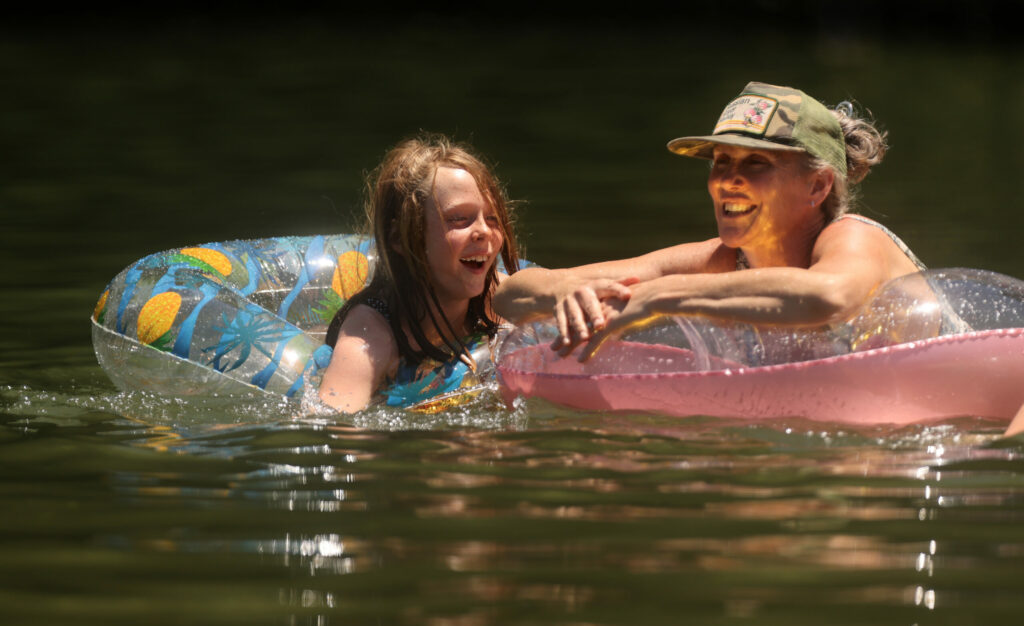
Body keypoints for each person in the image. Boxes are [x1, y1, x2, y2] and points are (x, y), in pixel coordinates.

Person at [493, 81, 924, 360]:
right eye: (721, 161)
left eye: (756, 162)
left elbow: (831, 296)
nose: (729, 180)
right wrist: (569, 293)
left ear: (818, 186)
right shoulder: (725, 260)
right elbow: (510, 293)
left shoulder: (854, 238)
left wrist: (660, 297)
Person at [318, 135, 521, 412]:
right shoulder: (369, 334)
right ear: (400, 238)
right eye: (458, 219)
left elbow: (564, 286)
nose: (484, 231)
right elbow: (334, 427)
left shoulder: (496, 298)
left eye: (492, 218)